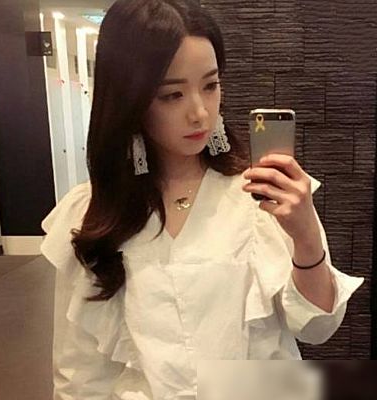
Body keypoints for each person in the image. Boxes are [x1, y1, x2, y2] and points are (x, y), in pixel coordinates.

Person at [40, 1, 364, 399]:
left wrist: (306, 236)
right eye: (172, 95)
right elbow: (79, 370)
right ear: (130, 99)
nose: (199, 113)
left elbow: (317, 327)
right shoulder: (94, 211)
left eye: (210, 86)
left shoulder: (260, 195)